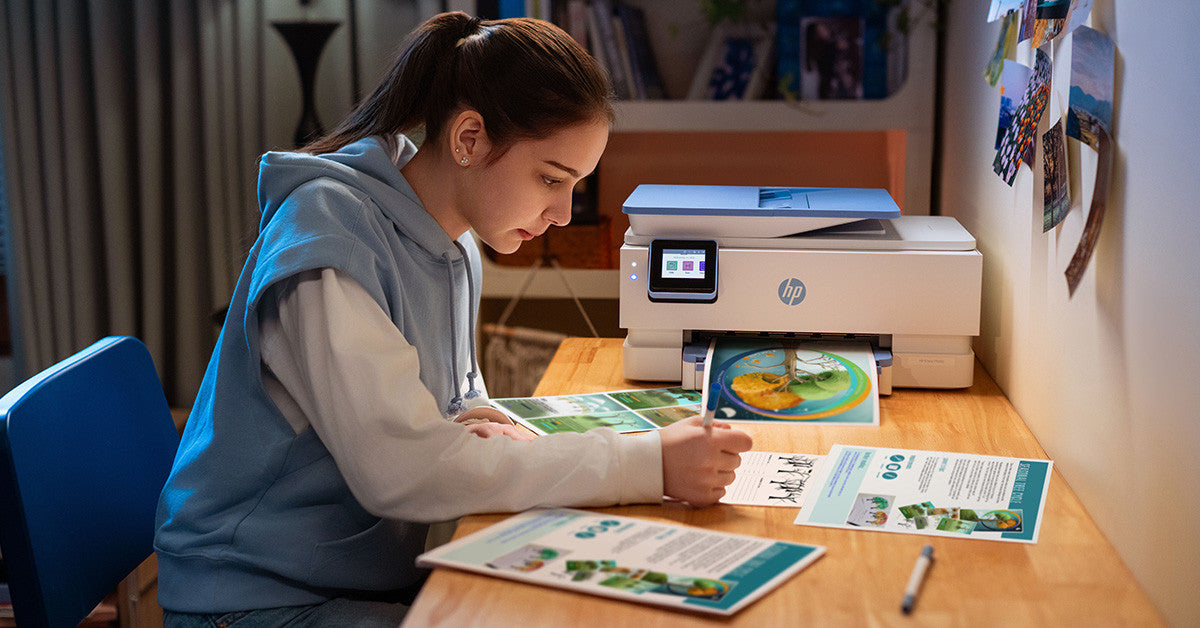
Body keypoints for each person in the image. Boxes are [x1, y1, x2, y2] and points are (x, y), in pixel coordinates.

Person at [154, 11, 752, 627]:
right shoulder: (328, 239)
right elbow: (403, 468)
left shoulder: (455, 240)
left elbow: (443, 413)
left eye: (574, 186)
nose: (563, 214)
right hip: (253, 600)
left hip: (360, 577)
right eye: (551, 178)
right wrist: (645, 463)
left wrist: (477, 422)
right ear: (468, 139)